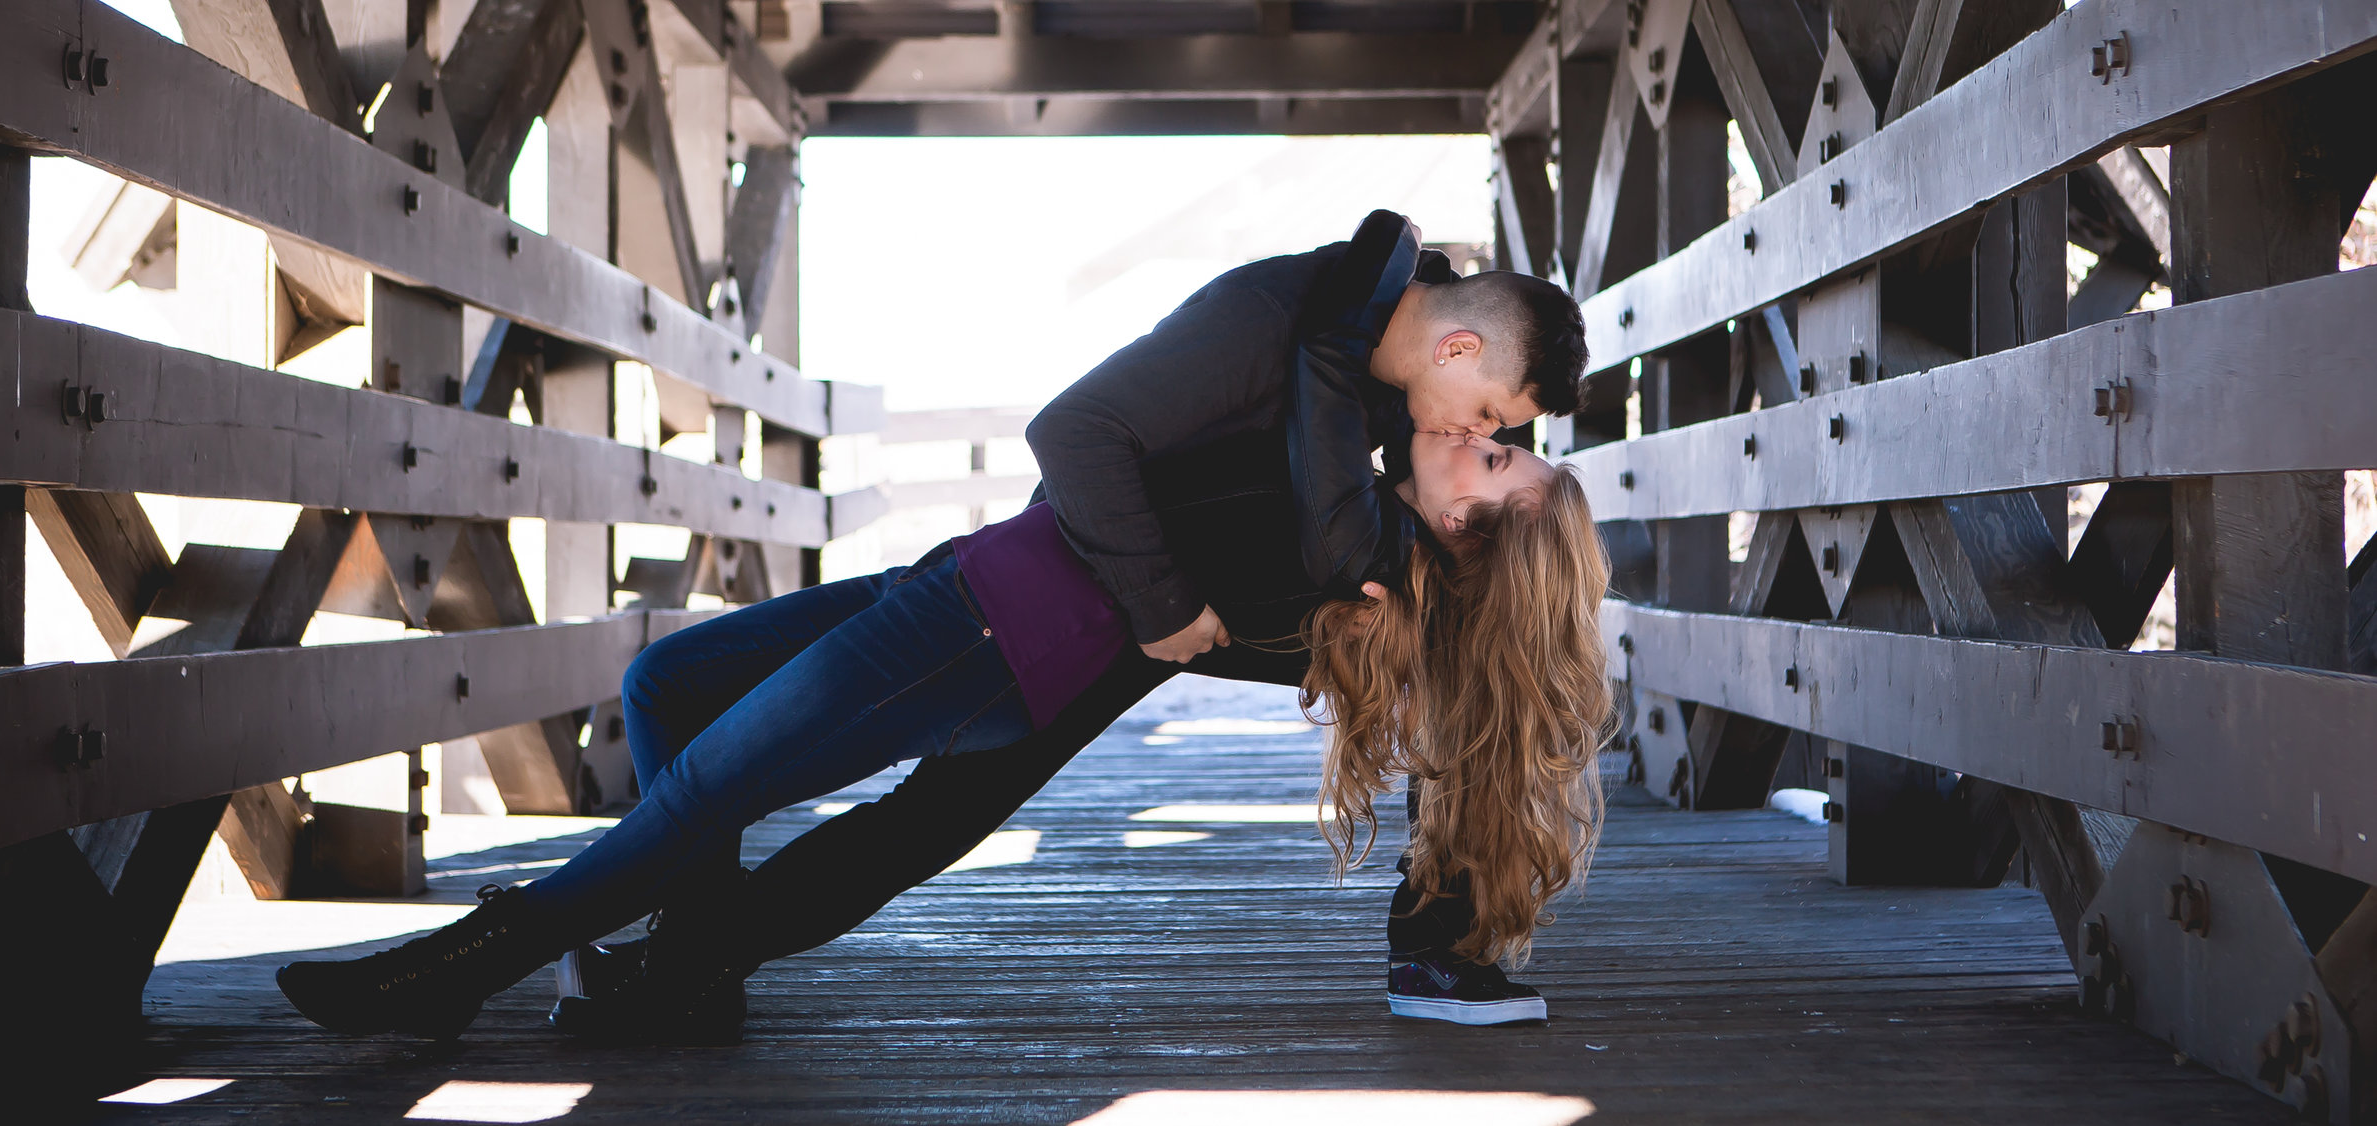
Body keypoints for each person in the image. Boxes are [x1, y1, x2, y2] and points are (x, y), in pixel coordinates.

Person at [277, 213, 1595, 1039]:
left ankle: (453, 970)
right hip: (979, 585)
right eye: (1496, 432)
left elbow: (1279, 485)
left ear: (1464, 532)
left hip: (1002, 634)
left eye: (1494, 462)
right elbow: (1144, 434)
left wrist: (1362, 290)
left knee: (701, 791)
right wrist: (1372, 277)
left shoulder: (1360, 530)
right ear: (1468, 350)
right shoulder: (1355, 435)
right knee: (676, 685)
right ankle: (694, 968)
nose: (1480, 441)